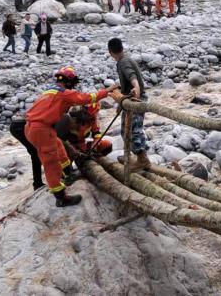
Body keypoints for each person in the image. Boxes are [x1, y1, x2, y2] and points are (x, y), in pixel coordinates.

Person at [19, 67, 116, 205]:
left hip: (33, 127)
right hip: (41, 129)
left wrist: (95, 141)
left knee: (58, 145)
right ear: (69, 81)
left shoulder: (49, 92)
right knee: (51, 163)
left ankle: (68, 172)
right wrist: (106, 92)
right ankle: (61, 197)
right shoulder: (63, 94)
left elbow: (95, 130)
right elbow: (86, 98)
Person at [107, 37, 152, 171]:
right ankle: (134, 156)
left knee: (134, 130)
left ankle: (143, 160)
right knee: (125, 130)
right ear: (122, 47)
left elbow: (132, 77)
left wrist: (136, 88)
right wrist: (110, 89)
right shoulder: (126, 59)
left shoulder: (123, 63)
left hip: (136, 100)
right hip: (130, 99)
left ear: (110, 52)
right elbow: (127, 79)